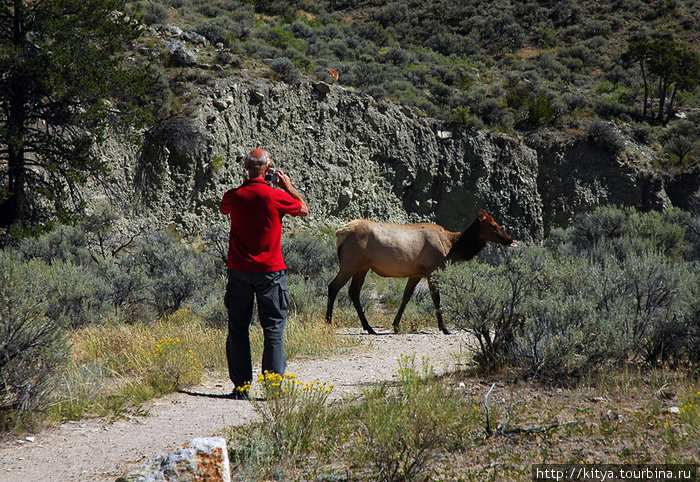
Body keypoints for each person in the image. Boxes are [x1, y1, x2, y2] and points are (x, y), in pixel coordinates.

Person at [219, 148, 308, 398]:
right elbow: (303, 209)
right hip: (271, 272)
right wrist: (288, 187)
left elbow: (224, 208)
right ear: (268, 169)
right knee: (273, 329)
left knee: (238, 328)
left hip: (239, 271)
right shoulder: (275, 196)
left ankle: (240, 387)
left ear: (246, 168)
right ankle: (272, 389)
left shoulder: (233, 196)